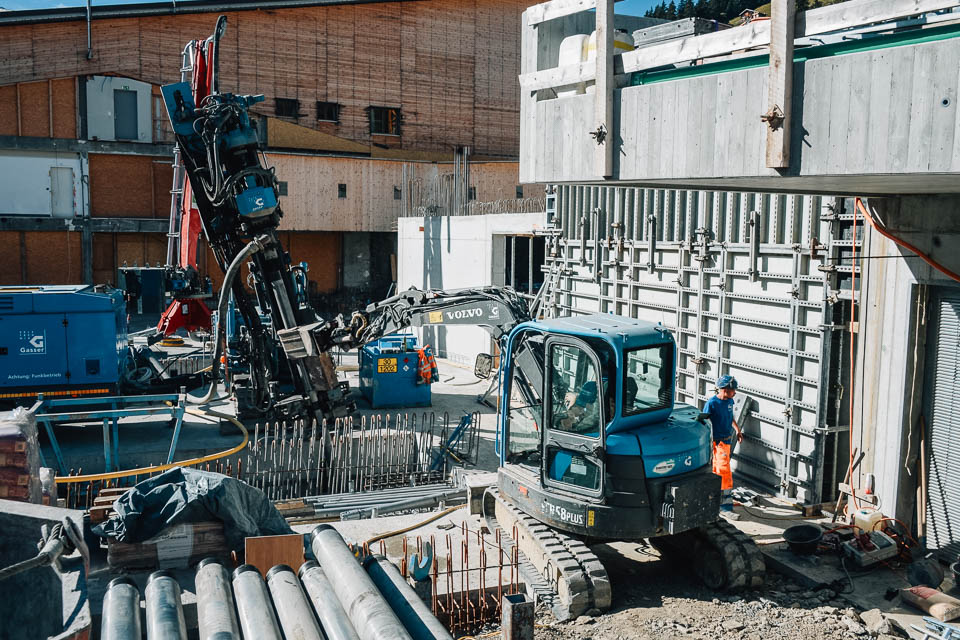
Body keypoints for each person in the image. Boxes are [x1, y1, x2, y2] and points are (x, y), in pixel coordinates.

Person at [704, 375, 743, 518]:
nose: (735, 393)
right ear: (725, 390)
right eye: (733, 390)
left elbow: (730, 417)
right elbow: (705, 422)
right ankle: (725, 507)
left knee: (718, 471)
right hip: (716, 442)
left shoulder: (730, 401)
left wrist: (738, 430)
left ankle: (716, 501)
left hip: (726, 441)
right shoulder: (712, 403)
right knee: (724, 472)